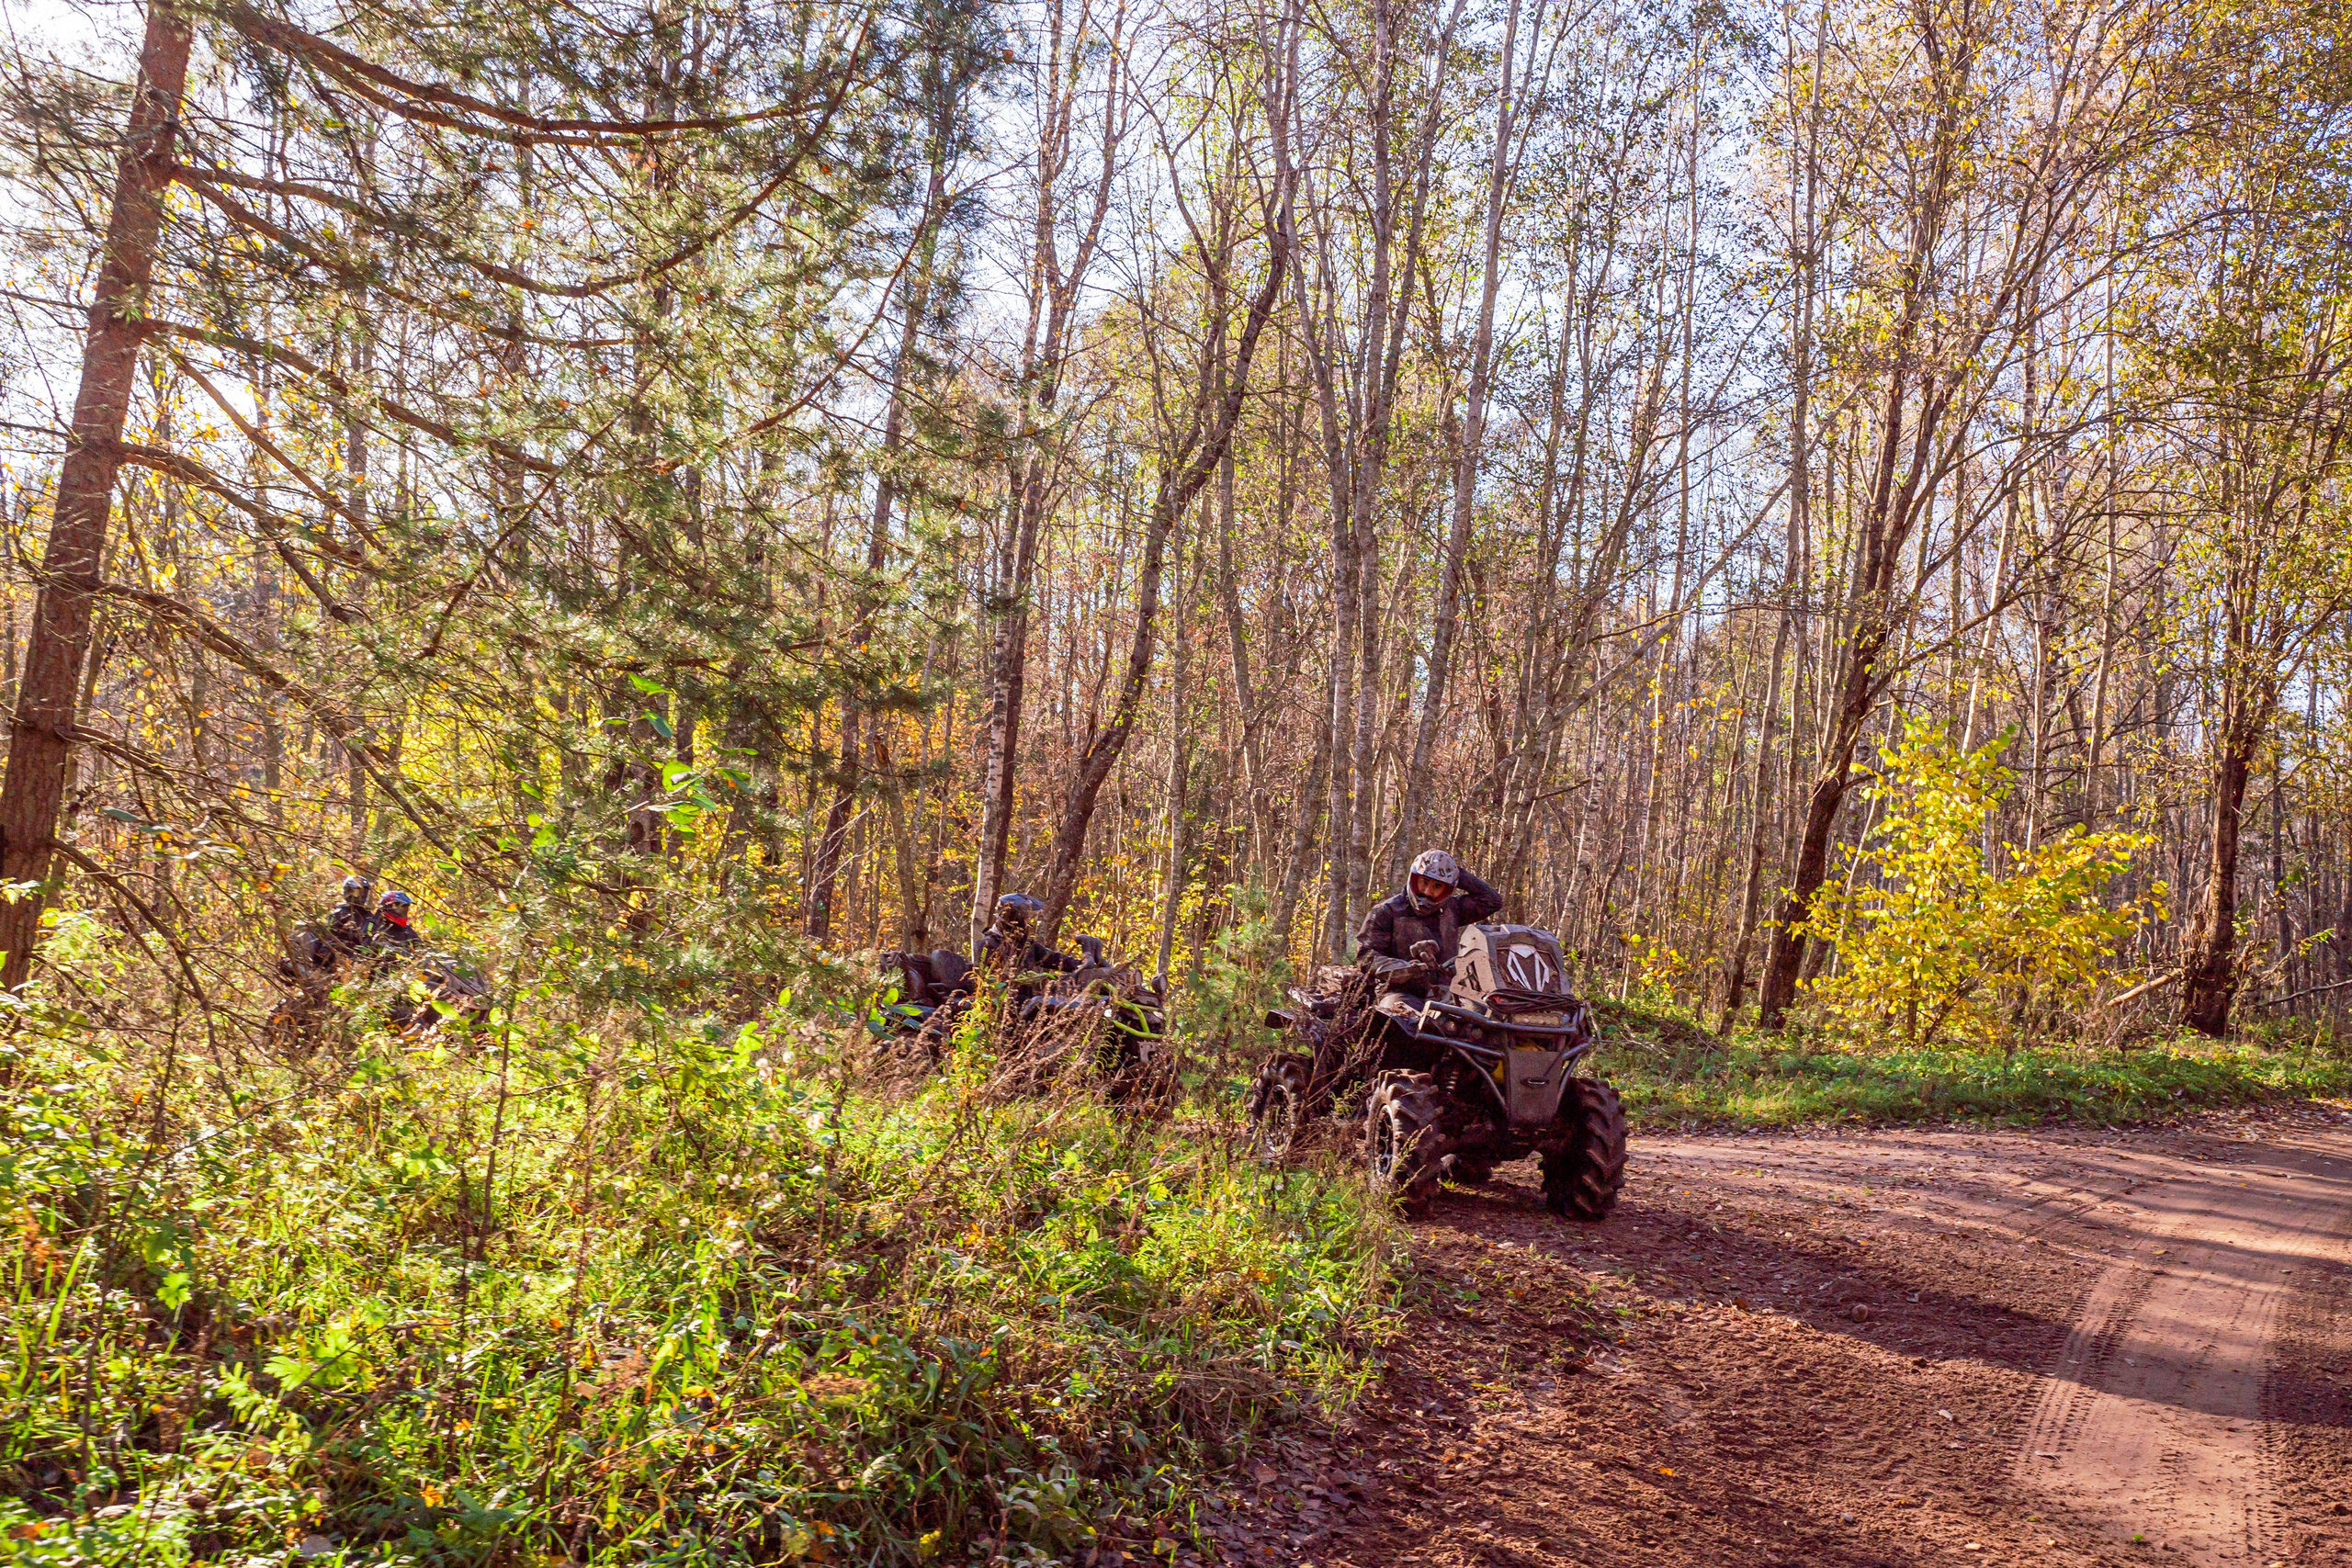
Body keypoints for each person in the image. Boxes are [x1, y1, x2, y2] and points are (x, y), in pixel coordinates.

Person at [1356, 849, 1504, 991]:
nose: (1427, 891)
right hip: (1400, 992)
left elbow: (1492, 901)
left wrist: (1457, 874)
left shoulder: (1453, 908)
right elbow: (1366, 956)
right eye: (1424, 882)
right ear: (1414, 879)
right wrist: (1403, 969)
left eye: (1437, 886)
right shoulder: (1387, 911)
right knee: (1404, 1016)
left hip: (1448, 991)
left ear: (1447, 889)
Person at [977, 892, 1085, 977]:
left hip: (1027, 1002)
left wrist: (1079, 964)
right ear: (1014, 917)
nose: (1028, 921)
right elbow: (983, 982)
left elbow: (1050, 957)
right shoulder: (987, 945)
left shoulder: (1024, 943)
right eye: (1025, 917)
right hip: (1003, 1003)